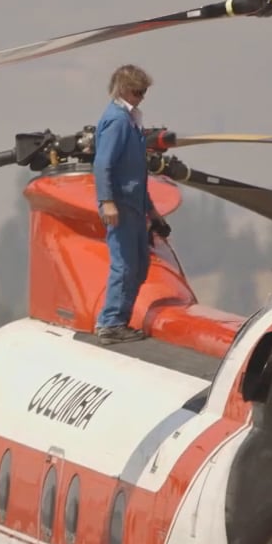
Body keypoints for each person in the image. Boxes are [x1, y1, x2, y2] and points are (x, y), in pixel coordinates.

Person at [92, 63, 170, 343]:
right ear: (124, 90)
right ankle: (111, 322)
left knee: (139, 265)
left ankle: (119, 320)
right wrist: (107, 202)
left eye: (144, 92)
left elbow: (136, 174)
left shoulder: (132, 121)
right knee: (124, 265)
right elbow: (103, 165)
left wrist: (153, 212)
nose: (141, 97)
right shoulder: (118, 120)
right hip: (121, 206)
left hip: (136, 206)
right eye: (138, 91)